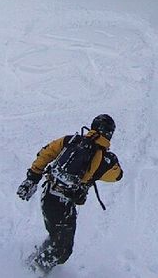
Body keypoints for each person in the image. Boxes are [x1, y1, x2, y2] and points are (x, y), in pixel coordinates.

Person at [17, 114, 123, 273]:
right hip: (63, 205)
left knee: (57, 237)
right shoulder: (106, 160)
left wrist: (32, 178)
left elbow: (46, 153)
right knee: (63, 250)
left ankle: (31, 263)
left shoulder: (71, 140)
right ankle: (30, 272)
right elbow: (118, 176)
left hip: (48, 194)